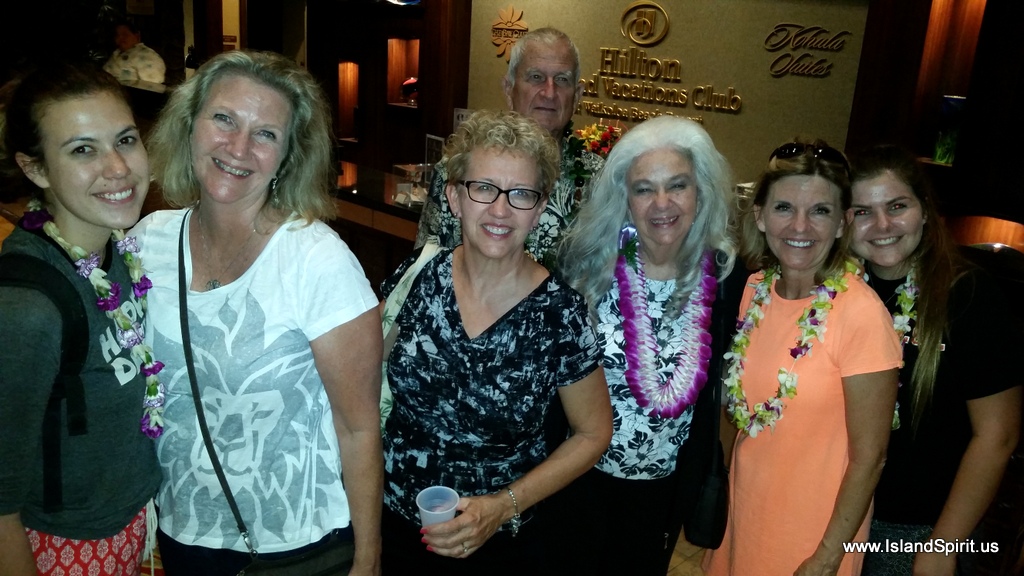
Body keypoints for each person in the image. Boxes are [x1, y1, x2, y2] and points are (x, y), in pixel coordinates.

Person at [132, 50, 383, 575]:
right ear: (189, 125)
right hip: (181, 531)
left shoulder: (316, 261)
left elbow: (358, 428)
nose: (239, 147)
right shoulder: (147, 242)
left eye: (265, 133)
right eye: (224, 119)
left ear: (288, 156)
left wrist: (368, 560)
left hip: (295, 542)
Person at [379, 108, 613, 575]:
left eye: (521, 193)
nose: (501, 210)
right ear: (454, 197)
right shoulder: (418, 277)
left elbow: (593, 433)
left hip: (498, 546)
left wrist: (504, 506)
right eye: (483, 188)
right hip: (394, 530)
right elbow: (364, 382)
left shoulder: (560, 313)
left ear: (540, 208)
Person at [704, 140, 903, 576]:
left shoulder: (861, 314)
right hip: (747, 516)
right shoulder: (754, 291)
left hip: (813, 535)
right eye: (784, 208)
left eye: (820, 211)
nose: (800, 226)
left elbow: (870, 458)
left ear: (842, 223)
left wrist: (828, 556)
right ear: (760, 216)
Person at [553, 115, 738, 574]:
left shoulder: (725, 280)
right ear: (625, 198)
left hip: (665, 490)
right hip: (577, 478)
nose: (662, 203)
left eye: (677, 185)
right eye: (644, 189)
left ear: (700, 193)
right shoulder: (586, 269)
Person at [0, 62, 160, 576]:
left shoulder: (117, 249)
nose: (118, 168)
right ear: (36, 169)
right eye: (83, 150)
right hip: (62, 549)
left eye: (126, 140)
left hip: (129, 525)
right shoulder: (27, 308)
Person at [849, 145, 1021, 575]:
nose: (882, 225)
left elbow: (997, 436)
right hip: (843, 514)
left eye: (897, 206)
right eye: (863, 212)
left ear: (925, 210)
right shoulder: (838, 295)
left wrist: (943, 544)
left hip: (921, 528)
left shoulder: (969, 296)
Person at [415, 27, 603, 268]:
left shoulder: (600, 179)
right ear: (508, 89)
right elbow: (425, 265)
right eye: (536, 77)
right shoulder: (458, 169)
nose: (549, 92)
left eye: (562, 80)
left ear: (576, 96)